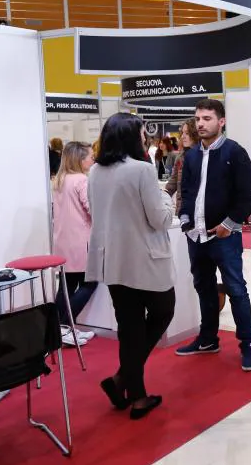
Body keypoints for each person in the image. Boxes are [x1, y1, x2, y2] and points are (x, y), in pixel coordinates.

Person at [86, 113, 175, 420]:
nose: (145, 138)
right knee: (163, 311)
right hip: (146, 259)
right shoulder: (142, 170)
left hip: (113, 261)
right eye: (141, 133)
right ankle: (125, 381)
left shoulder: (95, 171)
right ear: (129, 136)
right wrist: (167, 198)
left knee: (130, 328)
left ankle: (131, 389)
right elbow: (160, 218)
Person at [176, 99, 251, 371]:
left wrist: (229, 224)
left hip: (224, 237)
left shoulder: (235, 153)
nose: (201, 123)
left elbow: (249, 198)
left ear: (221, 121)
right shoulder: (191, 156)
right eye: (198, 118)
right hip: (196, 236)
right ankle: (208, 338)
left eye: (207, 118)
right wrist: (186, 221)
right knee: (204, 288)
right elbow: (187, 193)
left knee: (236, 289)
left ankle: (247, 344)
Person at [52, 141, 98, 346]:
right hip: (81, 241)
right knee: (89, 283)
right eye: (89, 156)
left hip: (63, 241)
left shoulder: (59, 180)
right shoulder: (81, 180)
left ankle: (57, 330)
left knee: (66, 287)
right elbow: (91, 209)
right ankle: (65, 327)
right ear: (80, 159)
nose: (92, 159)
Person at [164, 119, 200, 215]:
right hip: (183, 210)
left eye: (187, 133)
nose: (183, 136)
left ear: (195, 134)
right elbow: (173, 183)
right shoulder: (180, 157)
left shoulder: (205, 157)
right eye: (182, 133)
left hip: (201, 212)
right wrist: (162, 195)